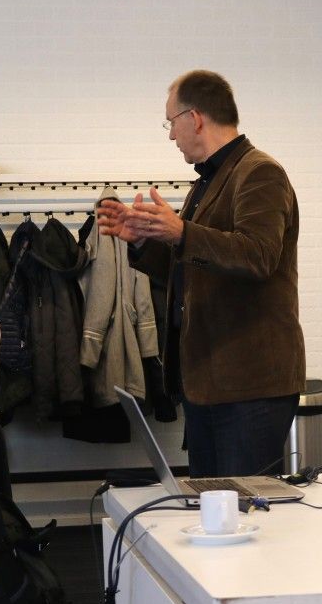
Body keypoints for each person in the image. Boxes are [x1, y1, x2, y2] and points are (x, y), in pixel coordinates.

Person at [97, 70, 305, 478]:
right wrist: (141, 241)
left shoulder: (260, 173)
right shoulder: (207, 183)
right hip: (209, 383)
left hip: (250, 386)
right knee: (211, 504)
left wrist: (182, 232)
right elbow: (192, 268)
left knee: (244, 509)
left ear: (194, 118)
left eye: (171, 123)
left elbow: (259, 256)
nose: (171, 136)